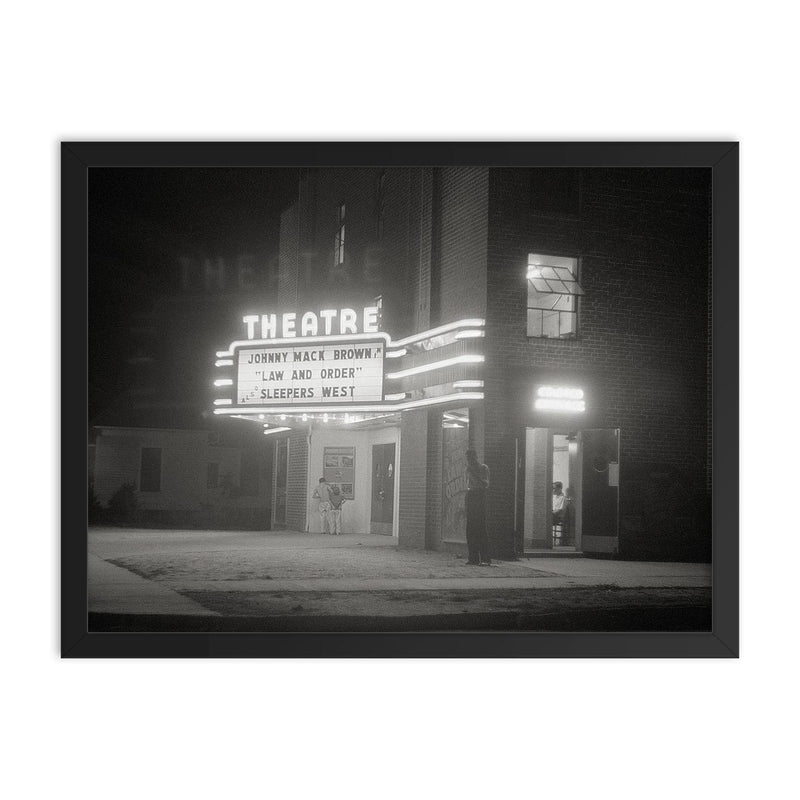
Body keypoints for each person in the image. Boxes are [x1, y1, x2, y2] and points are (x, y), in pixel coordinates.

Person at [465, 449, 491, 566]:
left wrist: (474, 474)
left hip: (480, 495)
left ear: (475, 457)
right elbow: (467, 484)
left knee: (480, 527)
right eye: (468, 459)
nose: (469, 461)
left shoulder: (483, 468)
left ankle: (485, 558)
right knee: (470, 528)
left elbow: (485, 484)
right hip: (471, 495)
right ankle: (473, 557)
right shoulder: (467, 469)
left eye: (470, 458)